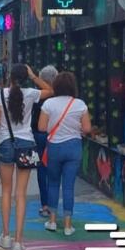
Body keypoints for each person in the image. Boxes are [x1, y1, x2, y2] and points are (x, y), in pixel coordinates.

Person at [0, 64, 53, 250]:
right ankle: (19, 241)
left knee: (6, 191)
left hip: (6, 143)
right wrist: (34, 76)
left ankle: (6, 236)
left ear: (10, 77)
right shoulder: (31, 93)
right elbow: (50, 90)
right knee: (21, 194)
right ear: (26, 78)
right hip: (26, 143)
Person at [38, 72, 92, 235]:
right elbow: (87, 128)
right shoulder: (80, 104)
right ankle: (68, 225)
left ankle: (52, 221)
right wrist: (76, 128)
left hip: (54, 147)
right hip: (73, 147)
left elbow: (41, 127)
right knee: (69, 187)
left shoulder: (49, 104)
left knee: (53, 184)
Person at [30, 65, 59, 217]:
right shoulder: (59, 96)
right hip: (56, 135)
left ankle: (45, 204)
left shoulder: (38, 95)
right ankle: (53, 203)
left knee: (42, 169)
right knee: (55, 170)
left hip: (39, 134)